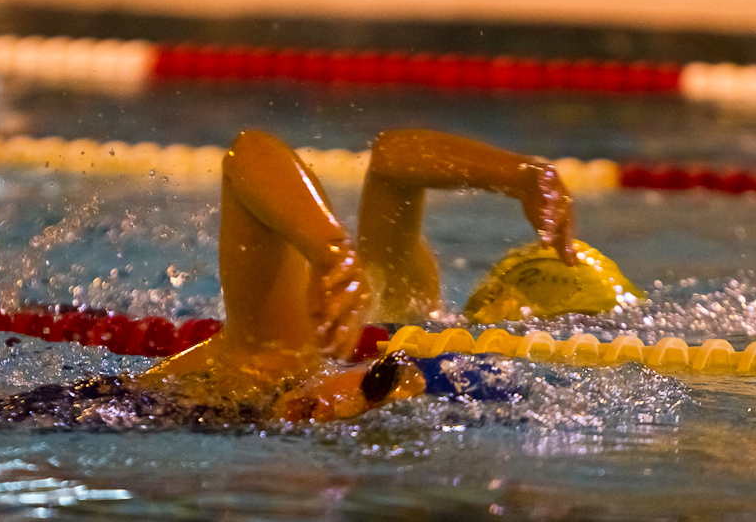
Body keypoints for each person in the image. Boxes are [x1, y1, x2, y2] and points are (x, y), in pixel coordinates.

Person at [139, 129, 576, 419]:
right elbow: (251, 152)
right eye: (379, 380)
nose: (353, 402)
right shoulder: (291, 349)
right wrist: (332, 255)